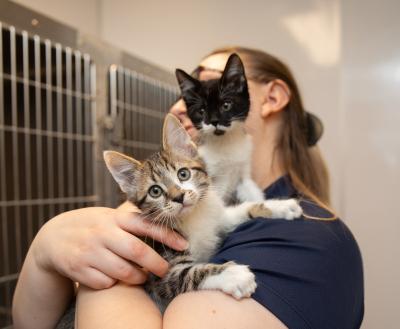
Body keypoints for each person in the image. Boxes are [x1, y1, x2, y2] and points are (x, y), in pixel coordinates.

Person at [12, 46, 364, 329]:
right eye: (185, 93)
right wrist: (44, 251)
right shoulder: (196, 210)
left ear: (271, 97)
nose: (182, 105)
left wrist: (109, 272)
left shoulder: (304, 237)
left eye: (204, 84)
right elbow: (31, 323)